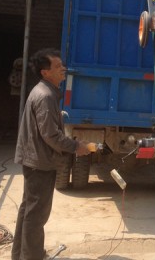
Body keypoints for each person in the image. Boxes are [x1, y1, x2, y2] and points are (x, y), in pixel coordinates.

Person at [11, 48, 91, 260]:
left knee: (29, 210)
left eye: (61, 64)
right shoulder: (45, 96)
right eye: (57, 66)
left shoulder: (44, 92)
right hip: (39, 163)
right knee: (36, 214)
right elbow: (51, 135)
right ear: (45, 72)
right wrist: (77, 146)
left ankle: (21, 255)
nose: (63, 68)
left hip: (35, 160)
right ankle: (32, 257)